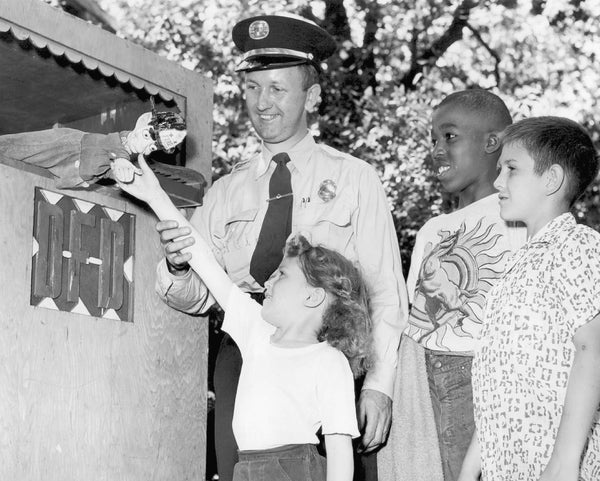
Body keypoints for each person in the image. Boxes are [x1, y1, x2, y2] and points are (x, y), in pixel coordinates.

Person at [153, 13, 407, 481]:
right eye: (251, 88)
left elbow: (387, 292)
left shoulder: (355, 179)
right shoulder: (225, 191)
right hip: (247, 353)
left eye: (276, 88)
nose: (261, 103)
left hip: (335, 349)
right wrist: (178, 266)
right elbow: (196, 298)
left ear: (311, 95)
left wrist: (378, 384)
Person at [116, 153, 372, 481]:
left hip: (293, 469)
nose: (267, 281)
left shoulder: (329, 362)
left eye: (281, 276)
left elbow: (339, 450)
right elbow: (205, 262)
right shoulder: (257, 330)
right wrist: (155, 196)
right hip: (247, 467)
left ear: (313, 296)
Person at [378, 89, 526, 481]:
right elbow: (412, 322)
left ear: (492, 141)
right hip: (426, 385)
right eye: (432, 140)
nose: (436, 150)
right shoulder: (432, 230)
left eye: (449, 137)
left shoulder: (517, 216)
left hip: (485, 382)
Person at [458, 116, 600, 481]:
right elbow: (501, 377)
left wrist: (566, 462)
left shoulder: (578, 246)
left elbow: (592, 349)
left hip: (559, 466)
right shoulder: (515, 267)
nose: (497, 181)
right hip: (507, 466)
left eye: (511, 169)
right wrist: (471, 468)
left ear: (551, 179)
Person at [0, 110, 186, 188]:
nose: (147, 147)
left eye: (153, 147)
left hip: (68, 171)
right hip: (67, 147)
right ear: (141, 123)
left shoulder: (125, 157)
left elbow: (105, 169)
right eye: (147, 136)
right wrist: (121, 161)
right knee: (17, 147)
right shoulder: (119, 147)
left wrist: (116, 175)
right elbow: (113, 145)